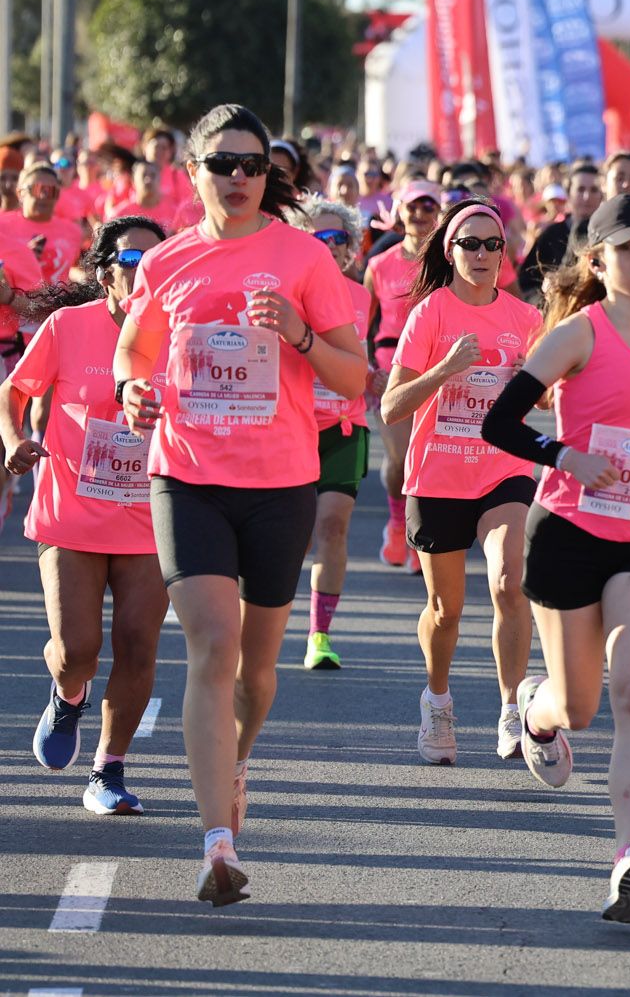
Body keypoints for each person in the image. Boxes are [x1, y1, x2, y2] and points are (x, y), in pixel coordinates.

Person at [111, 103, 366, 907]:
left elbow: (355, 377)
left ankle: (237, 757)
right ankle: (217, 841)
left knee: (257, 672)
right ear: (194, 172)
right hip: (186, 477)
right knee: (214, 649)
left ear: (269, 175)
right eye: (223, 163)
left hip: (281, 480)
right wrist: (129, 388)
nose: (240, 177)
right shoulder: (167, 263)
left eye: (253, 164)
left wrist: (297, 334)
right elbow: (135, 348)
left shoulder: (302, 259)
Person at [479, 194, 630, 922]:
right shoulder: (574, 336)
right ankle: (537, 708)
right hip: (568, 529)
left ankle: (629, 856)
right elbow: (501, 421)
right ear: (599, 261)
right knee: (581, 703)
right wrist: (564, 454)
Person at [10, 218, 169, 814]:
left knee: (138, 643)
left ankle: (108, 770)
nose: (145, 272)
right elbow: (15, 390)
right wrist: (11, 438)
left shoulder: (180, 333)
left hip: (149, 512)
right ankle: (67, 694)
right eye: (132, 260)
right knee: (78, 648)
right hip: (70, 510)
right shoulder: (66, 326)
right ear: (106, 273)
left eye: (158, 261)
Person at [381, 197, 543, 763]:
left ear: (504, 253)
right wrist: (446, 368)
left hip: (504, 466)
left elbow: (552, 396)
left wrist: (534, 384)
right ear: (449, 252)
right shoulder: (431, 314)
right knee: (446, 609)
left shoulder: (526, 320)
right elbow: (391, 407)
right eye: (468, 244)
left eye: (491, 244)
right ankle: (438, 699)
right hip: (439, 471)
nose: (480, 254)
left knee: (507, 581)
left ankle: (510, 709)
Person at [294, 198, 377, 671]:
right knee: (294, 537)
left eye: (338, 238)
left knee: (332, 527)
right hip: (293, 425)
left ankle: (319, 636)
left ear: (351, 249)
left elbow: (368, 355)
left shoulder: (362, 296)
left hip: (345, 426)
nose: (328, 246)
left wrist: (380, 375)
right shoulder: (287, 291)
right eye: (317, 239)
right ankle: (260, 620)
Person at [365, 179, 443, 570]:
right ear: (400, 210)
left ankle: (418, 534)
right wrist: (366, 371)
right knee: (399, 459)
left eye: (428, 206)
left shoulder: (449, 261)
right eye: (412, 206)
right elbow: (362, 323)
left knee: (425, 457)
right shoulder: (380, 263)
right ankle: (398, 523)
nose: (419, 214)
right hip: (390, 364)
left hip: (437, 365)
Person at [519, 161, 606, 303]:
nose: (586, 196)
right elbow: (527, 284)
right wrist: (546, 299)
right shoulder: (551, 235)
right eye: (580, 189)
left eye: (594, 190)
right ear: (568, 193)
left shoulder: (608, 236)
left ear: (602, 194)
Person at [1, 160, 89, 283]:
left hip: (61, 301)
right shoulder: (3, 227)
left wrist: (82, 278)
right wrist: (23, 257)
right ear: (20, 193)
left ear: (58, 195)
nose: (43, 196)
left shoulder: (72, 231)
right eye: (37, 189)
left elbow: (71, 269)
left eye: (50, 191)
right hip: (15, 300)